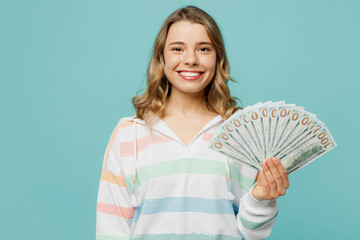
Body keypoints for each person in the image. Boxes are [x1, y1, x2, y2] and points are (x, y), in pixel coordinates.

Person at [96, 5, 289, 240]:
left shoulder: (239, 134)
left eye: (204, 49)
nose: (190, 59)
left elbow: (251, 232)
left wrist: (261, 199)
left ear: (217, 58)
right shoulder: (128, 134)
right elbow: (111, 229)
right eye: (177, 49)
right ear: (162, 57)